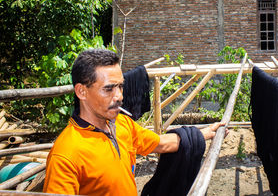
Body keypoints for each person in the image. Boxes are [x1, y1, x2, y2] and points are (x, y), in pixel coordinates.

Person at [43, 49, 225, 195]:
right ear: (82, 92)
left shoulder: (122, 124)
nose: (119, 96)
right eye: (108, 89)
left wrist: (203, 133)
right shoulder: (66, 155)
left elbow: (161, 143)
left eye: (121, 86)